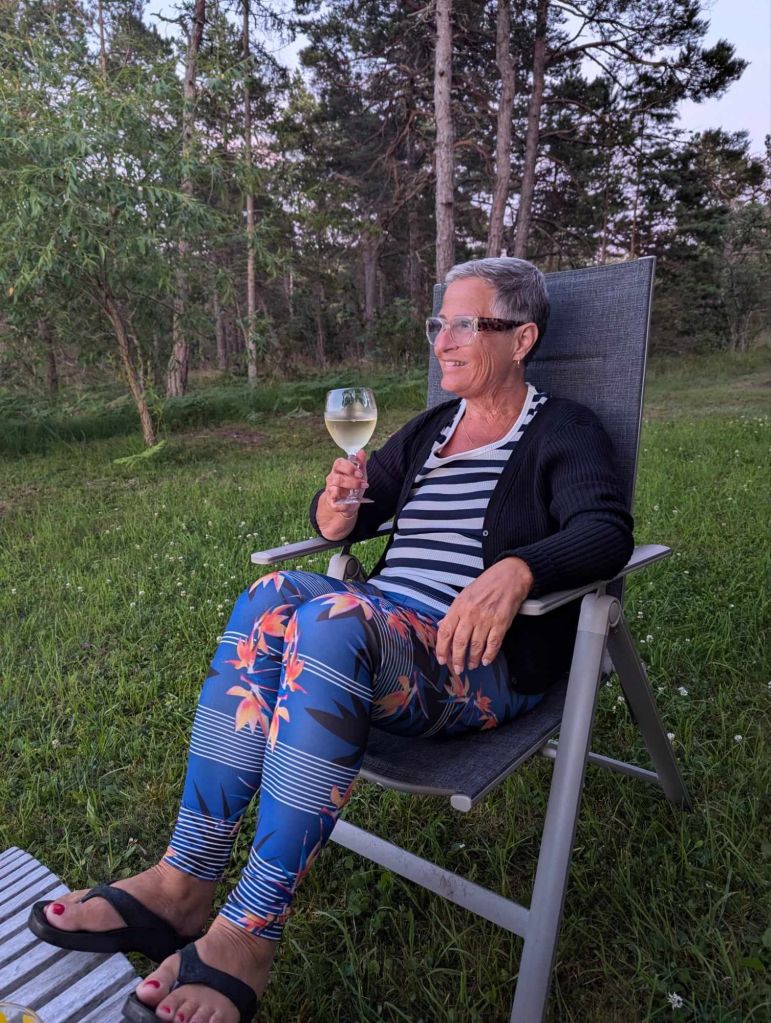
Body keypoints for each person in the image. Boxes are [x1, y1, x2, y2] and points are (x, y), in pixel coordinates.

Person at [29, 257, 633, 1023]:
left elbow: (604, 529)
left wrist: (518, 568)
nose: (441, 342)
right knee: (271, 593)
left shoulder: (562, 430)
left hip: (470, 661)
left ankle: (249, 929)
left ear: (520, 339)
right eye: (438, 323)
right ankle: (183, 879)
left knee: (332, 618)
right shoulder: (432, 430)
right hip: (379, 629)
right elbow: (349, 514)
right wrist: (337, 507)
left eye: (463, 323)